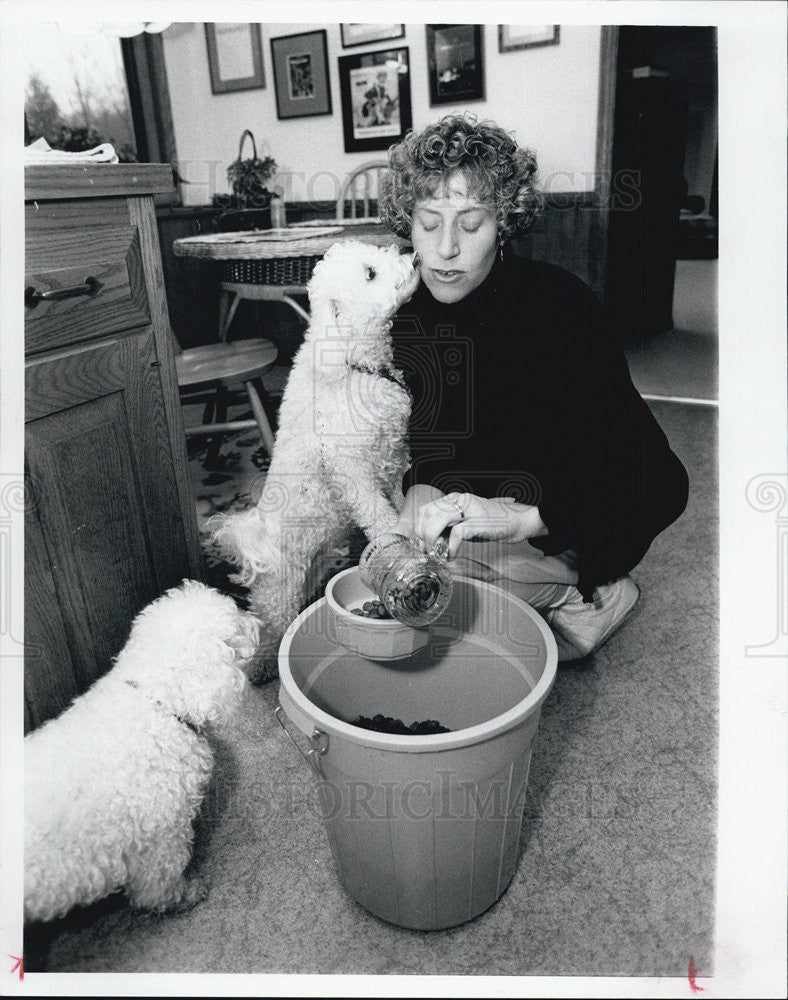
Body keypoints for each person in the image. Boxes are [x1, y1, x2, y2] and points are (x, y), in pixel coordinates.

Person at [378, 114, 689, 660]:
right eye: (429, 222)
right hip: (466, 502)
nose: (446, 249)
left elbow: (659, 482)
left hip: (561, 513)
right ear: (408, 220)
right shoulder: (399, 312)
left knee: (461, 605)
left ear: (505, 223)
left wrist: (527, 518)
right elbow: (428, 442)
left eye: (471, 225)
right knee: (397, 581)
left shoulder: (560, 308)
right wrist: (420, 503)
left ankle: (593, 593)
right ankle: (530, 599)